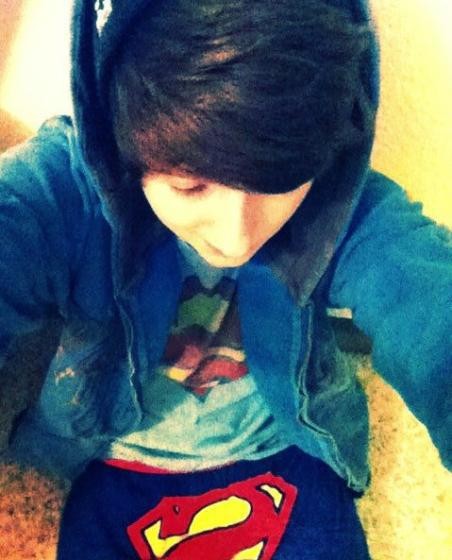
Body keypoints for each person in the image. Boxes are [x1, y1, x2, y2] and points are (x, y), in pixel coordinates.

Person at [0, 0, 450, 558]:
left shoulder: (342, 203)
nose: (238, 238)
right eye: (190, 187)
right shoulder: (67, 192)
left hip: (285, 448)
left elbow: (426, 302)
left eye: (278, 182)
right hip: (112, 455)